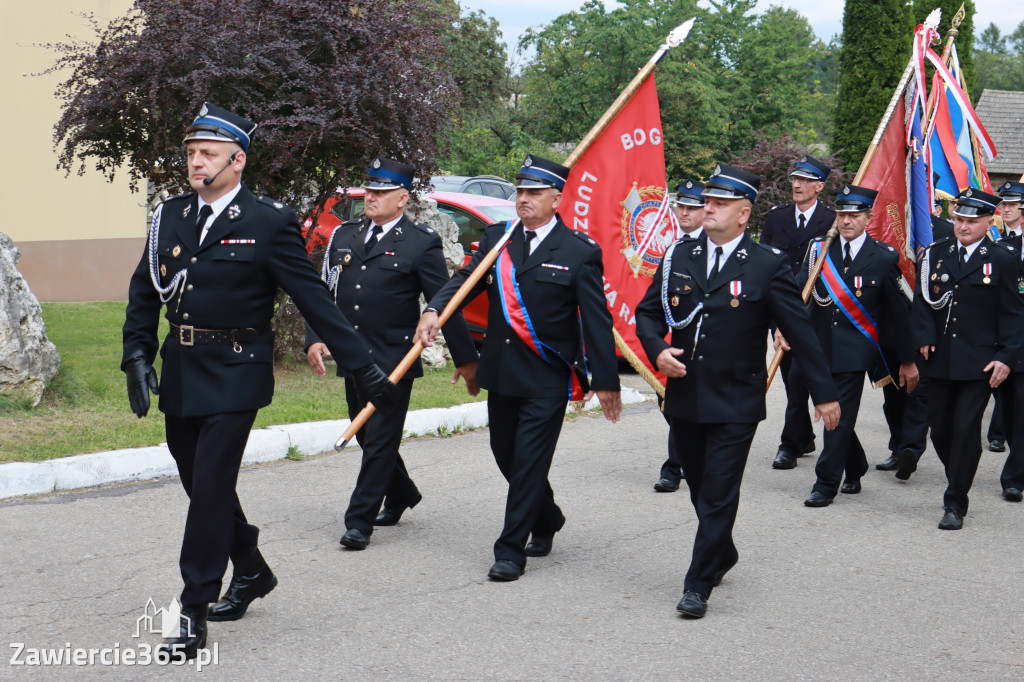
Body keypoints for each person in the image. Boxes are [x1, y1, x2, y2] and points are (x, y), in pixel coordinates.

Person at [122, 103, 398, 659]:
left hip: (237, 370)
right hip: (183, 367)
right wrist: (136, 352)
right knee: (201, 483)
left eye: (207, 154)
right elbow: (144, 288)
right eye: (191, 153)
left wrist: (362, 365)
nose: (195, 162)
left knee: (210, 489)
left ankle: (194, 606)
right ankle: (250, 566)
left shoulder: (268, 220)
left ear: (237, 160)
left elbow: (311, 295)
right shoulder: (169, 215)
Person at [635, 163, 840, 619]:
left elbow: (800, 333)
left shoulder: (767, 265)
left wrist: (824, 394)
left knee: (721, 489)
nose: (708, 208)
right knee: (701, 491)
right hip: (685, 396)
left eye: (720, 203)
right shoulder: (677, 257)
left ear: (744, 213)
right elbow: (647, 313)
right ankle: (722, 551)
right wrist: (656, 350)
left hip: (736, 400)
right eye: (707, 201)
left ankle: (697, 584)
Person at [414, 154, 622, 582]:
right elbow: (463, 280)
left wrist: (606, 381)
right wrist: (435, 308)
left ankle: (510, 550)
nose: (523, 199)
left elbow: (598, 321)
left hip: (546, 375)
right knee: (506, 455)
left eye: (534, 193)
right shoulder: (499, 238)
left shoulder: (579, 252)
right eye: (520, 192)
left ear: (557, 199)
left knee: (528, 461)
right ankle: (546, 517)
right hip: (503, 371)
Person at [305, 156, 479, 551]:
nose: (371, 197)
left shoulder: (420, 242)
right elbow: (322, 292)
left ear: (402, 198)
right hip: (353, 356)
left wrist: (467, 359)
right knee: (366, 433)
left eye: (381, 192)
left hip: (394, 360)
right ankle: (401, 492)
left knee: (380, 438)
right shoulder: (345, 236)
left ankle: (358, 522)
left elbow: (443, 302)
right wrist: (315, 336)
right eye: (369, 190)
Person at [777, 184, 917, 507]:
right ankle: (855, 465)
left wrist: (906, 360)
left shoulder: (882, 258)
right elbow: (797, 293)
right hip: (816, 348)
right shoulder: (819, 251)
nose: (846, 221)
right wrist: (783, 327)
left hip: (856, 352)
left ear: (868, 218)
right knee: (834, 415)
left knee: (839, 413)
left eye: (854, 215)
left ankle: (826, 483)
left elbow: (898, 316)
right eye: (841, 214)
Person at [911, 187, 1024, 530]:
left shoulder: (1003, 258)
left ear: (988, 222)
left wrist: (1006, 357)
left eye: (972, 221)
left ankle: (955, 500)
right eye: (959, 219)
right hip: (940, 359)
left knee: (964, 429)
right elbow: (922, 304)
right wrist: (924, 337)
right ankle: (960, 471)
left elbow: (1015, 314)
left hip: (981, 363)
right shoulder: (936, 254)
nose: (963, 226)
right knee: (941, 432)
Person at [759, 155, 837, 470]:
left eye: (805, 180)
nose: (797, 185)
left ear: (819, 186)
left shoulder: (832, 222)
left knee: (801, 377)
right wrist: (777, 323)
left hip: (815, 314)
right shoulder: (776, 218)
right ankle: (802, 435)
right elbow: (763, 267)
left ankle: (789, 445)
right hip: (780, 314)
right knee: (793, 383)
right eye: (794, 179)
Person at [876, 193, 953, 472]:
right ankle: (899, 447)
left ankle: (910, 448)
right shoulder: (886, 224)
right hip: (892, 323)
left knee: (920, 392)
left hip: (929, 323)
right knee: (894, 394)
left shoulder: (945, 231)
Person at [652, 180, 706, 494]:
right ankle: (682, 459)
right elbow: (657, 301)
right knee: (674, 406)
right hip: (681, 345)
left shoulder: (713, 246)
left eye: (691, 207)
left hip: (712, 345)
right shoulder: (674, 250)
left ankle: (676, 466)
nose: (683, 213)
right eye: (680, 206)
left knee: (686, 408)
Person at [995, 180, 1024, 502]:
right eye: (1003, 205)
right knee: (1009, 410)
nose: (1005, 209)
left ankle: (1014, 477)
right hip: (1006, 343)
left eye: (1012, 205)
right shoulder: (999, 246)